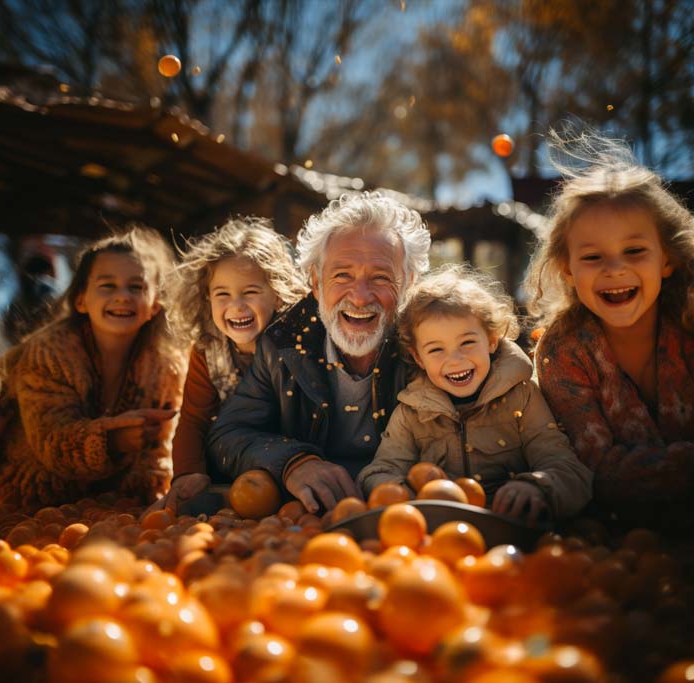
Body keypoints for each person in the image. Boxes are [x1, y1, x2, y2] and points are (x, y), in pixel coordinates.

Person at [207, 192, 432, 514]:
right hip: (304, 516)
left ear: (408, 283)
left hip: (405, 515)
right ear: (316, 283)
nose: (359, 296)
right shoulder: (282, 345)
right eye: (342, 275)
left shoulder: (432, 345)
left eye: (381, 277)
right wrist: (293, 461)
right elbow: (227, 436)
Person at [526, 130, 694, 529]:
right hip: (611, 536)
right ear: (568, 270)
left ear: (667, 260)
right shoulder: (562, 352)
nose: (614, 268)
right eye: (593, 256)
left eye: (634, 251)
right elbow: (596, 469)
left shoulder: (689, 326)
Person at [0, 226, 186, 515]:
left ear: (154, 306)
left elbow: (157, 450)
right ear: (81, 300)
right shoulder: (51, 353)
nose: (123, 296)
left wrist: (150, 496)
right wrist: (112, 441)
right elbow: (52, 439)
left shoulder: (165, 366)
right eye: (107, 286)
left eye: (136, 287)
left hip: (104, 505)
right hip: (27, 496)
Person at [358, 265, 592, 524]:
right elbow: (380, 471)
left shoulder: (522, 397)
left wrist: (537, 487)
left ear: (491, 341)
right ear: (418, 358)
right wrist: (406, 494)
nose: (455, 360)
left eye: (467, 343)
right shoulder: (412, 412)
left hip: (510, 526)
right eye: (436, 350)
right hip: (438, 532)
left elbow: (566, 468)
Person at [149, 217, 308, 513]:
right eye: (223, 294)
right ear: (206, 297)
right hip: (232, 473)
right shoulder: (208, 350)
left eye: (250, 292)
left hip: (294, 467)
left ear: (277, 293)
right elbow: (194, 420)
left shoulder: (296, 346)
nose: (237, 305)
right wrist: (188, 473)